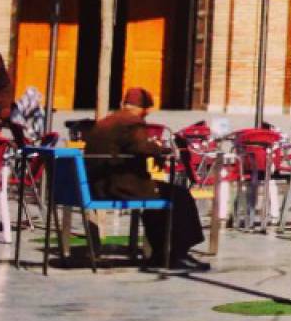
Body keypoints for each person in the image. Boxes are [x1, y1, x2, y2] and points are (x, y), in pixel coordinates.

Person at [82, 87, 206, 269]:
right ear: (146, 109)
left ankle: (161, 252)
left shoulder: (104, 122)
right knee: (179, 195)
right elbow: (141, 147)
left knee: (161, 196)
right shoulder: (132, 122)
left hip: (98, 185)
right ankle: (178, 252)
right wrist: (161, 149)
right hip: (119, 187)